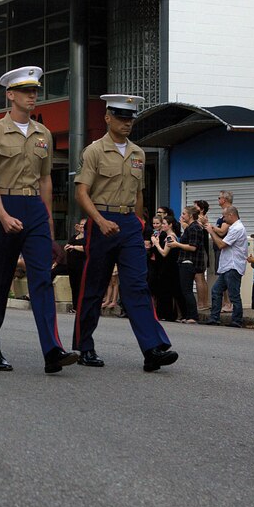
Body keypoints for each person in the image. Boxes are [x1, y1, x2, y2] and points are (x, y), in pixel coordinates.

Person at [0, 66, 76, 374]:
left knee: (42, 277)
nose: (32, 96)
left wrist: (50, 225)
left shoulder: (43, 134)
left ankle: (52, 349)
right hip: (5, 203)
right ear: (10, 95)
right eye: (26, 91)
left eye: (35, 91)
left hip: (34, 208)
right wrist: (1, 214)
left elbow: (45, 182)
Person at [71, 94, 177, 371]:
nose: (127, 122)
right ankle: (84, 346)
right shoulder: (94, 151)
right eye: (121, 117)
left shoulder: (138, 153)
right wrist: (99, 221)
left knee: (137, 286)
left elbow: (139, 194)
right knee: (94, 287)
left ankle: (152, 349)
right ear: (107, 118)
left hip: (129, 223)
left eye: (130, 117)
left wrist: (140, 225)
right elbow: (81, 193)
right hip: (101, 218)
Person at [204, 205, 247, 328]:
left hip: (233, 266)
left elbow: (221, 244)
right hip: (228, 266)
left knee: (234, 294)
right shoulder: (234, 227)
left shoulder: (237, 229)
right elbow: (221, 233)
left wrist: (211, 232)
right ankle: (214, 318)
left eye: (224, 216)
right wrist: (211, 227)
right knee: (216, 290)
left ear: (231, 215)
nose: (223, 218)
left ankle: (237, 320)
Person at [172, 206, 203, 323]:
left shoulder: (194, 228)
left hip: (189, 262)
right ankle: (188, 315)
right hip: (184, 261)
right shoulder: (190, 228)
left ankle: (193, 316)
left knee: (187, 290)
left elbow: (193, 247)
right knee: (185, 289)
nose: (182, 216)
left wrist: (177, 244)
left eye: (184, 214)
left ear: (190, 215)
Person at [149, 214, 182, 322]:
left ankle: (168, 314)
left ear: (170, 225)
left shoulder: (170, 237)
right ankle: (164, 313)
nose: (162, 226)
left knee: (167, 291)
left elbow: (164, 253)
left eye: (164, 224)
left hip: (169, 268)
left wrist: (156, 243)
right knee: (164, 291)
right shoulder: (165, 235)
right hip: (165, 267)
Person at [64, 218, 86, 314]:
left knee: (81, 286)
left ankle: (82, 307)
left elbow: (86, 248)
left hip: (81, 265)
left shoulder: (88, 238)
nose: (81, 226)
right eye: (80, 224)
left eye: (84, 225)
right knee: (74, 286)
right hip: (72, 266)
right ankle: (75, 307)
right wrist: (67, 247)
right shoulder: (74, 237)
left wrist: (73, 247)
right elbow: (69, 244)